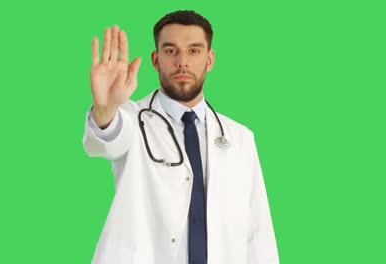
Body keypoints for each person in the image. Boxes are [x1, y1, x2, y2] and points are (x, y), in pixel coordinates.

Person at [83, 10, 279, 264]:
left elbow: (259, 232)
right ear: (156, 60)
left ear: (209, 60)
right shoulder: (132, 118)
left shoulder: (240, 138)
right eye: (171, 51)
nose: (182, 62)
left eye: (194, 51)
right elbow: (106, 140)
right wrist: (105, 108)